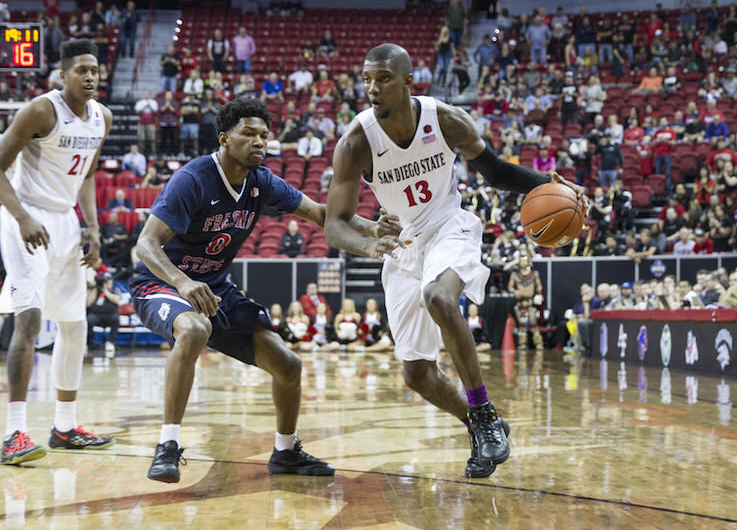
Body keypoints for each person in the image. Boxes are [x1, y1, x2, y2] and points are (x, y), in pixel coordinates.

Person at [324, 43, 585, 478]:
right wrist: (370, 244)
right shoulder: (355, 142)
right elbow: (336, 223)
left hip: (449, 225)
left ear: (408, 83)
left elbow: (498, 172)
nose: (371, 88)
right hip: (403, 244)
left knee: (439, 298)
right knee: (417, 375)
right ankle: (479, 425)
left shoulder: (444, 120)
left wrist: (552, 185)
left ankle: (483, 413)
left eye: (383, 79)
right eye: (366, 79)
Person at [129, 97, 399, 482]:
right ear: (224, 138)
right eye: (249, 134)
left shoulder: (261, 181)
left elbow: (321, 213)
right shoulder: (193, 178)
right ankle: (167, 445)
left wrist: (372, 228)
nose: (260, 142)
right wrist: (184, 282)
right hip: (162, 282)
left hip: (215, 288)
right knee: (192, 329)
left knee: (288, 364)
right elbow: (146, 244)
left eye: (264, 135)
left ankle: (286, 452)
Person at [0, 40, 115, 466]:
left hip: (66, 221)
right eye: (81, 70)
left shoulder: (101, 116)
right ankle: (13, 433)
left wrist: (93, 227)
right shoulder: (40, 110)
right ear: (62, 75)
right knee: (28, 318)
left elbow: (86, 177)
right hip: (24, 216)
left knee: (74, 325)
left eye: (95, 71)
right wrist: (21, 217)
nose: (90, 77)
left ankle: (65, 427)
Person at [86, 270, 120, 357]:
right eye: (105, 280)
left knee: (116, 319)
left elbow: (117, 300)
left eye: (109, 280)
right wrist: (96, 289)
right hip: (96, 315)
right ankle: (90, 343)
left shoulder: (115, 289)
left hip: (110, 315)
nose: (107, 282)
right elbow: (88, 303)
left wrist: (105, 291)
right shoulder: (95, 290)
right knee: (89, 319)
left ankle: (111, 342)